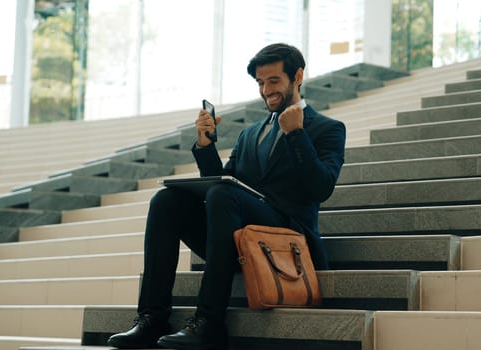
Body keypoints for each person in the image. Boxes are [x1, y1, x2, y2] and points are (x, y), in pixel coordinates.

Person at [107, 42, 346, 350]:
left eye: (273, 81)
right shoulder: (250, 134)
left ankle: (209, 322)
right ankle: (152, 318)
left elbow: (321, 188)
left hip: (286, 239)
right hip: (239, 237)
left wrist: (296, 135)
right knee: (166, 201)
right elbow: (224, 182)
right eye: (260, 83)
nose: (265, 90)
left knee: (223, 195)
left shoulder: (327, 129)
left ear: (297, 76)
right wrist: (206, 146)